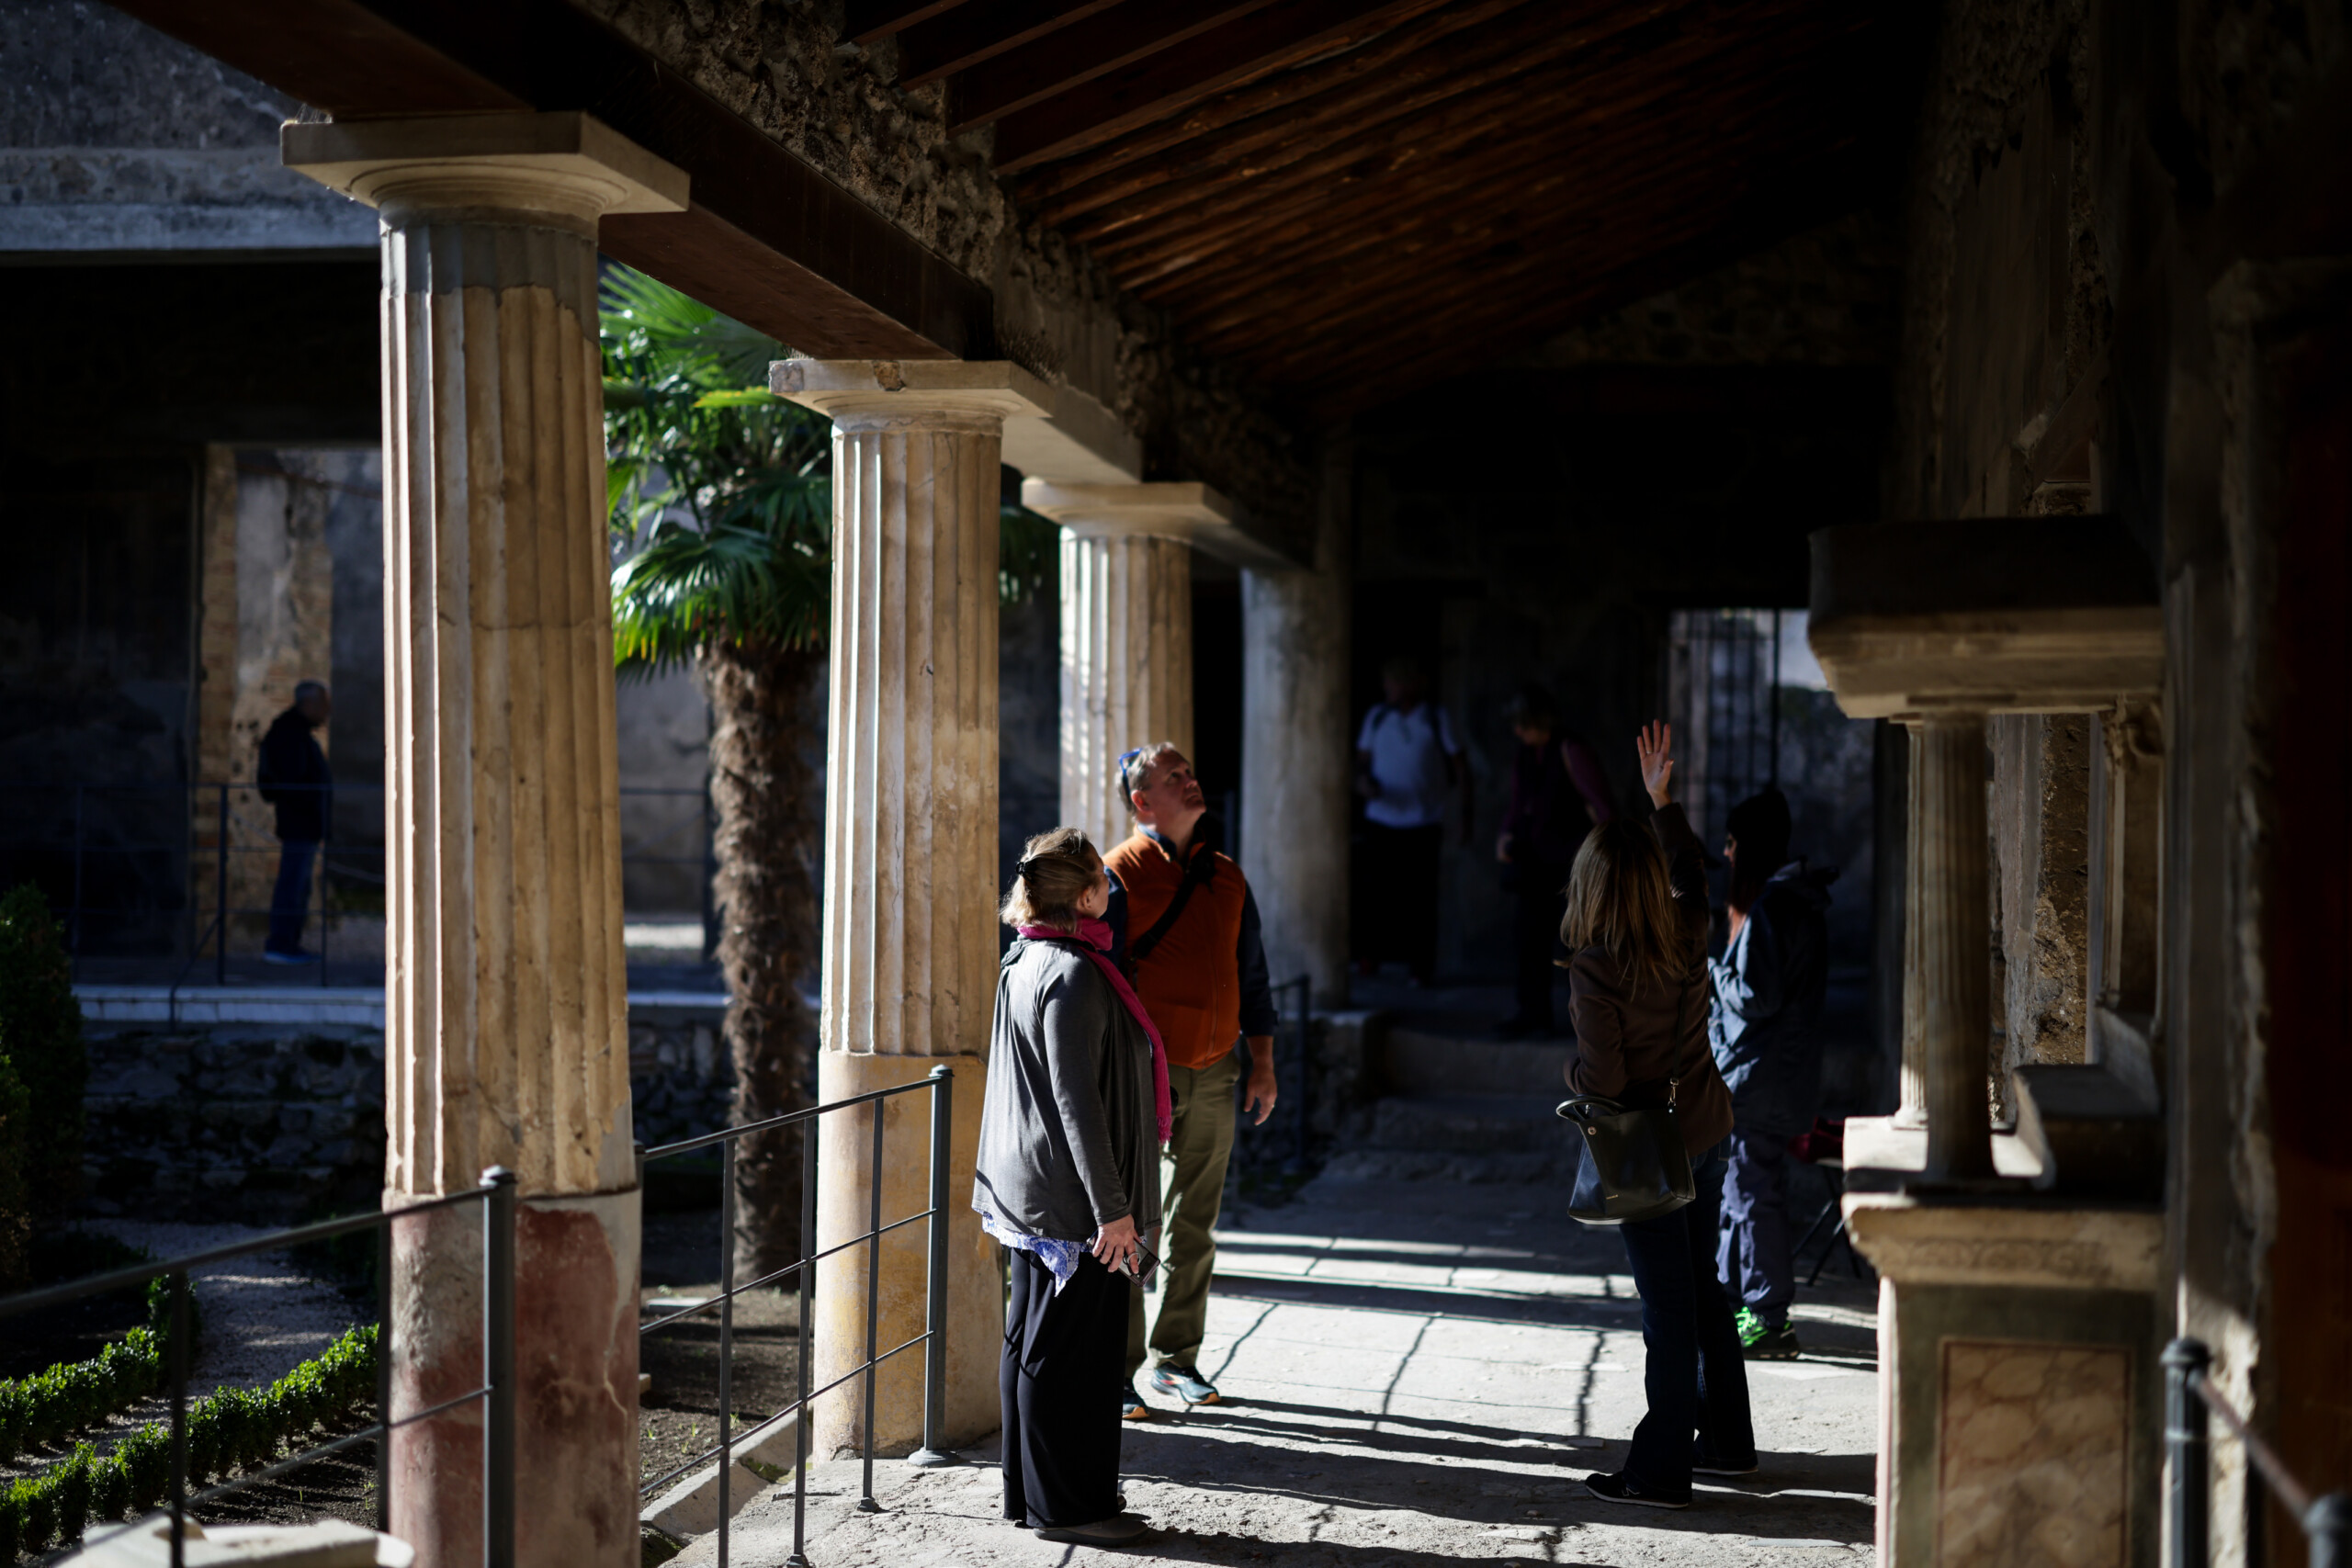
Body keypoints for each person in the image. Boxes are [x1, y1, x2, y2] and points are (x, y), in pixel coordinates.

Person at [1563, 720, 1752, 1509]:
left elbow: (1603, 1078)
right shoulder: (1687, 926)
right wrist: (1662, 801)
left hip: (1646, 1146)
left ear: (1592, 887)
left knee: (1666, 1306)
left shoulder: (1597, 966)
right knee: (1701, 1287)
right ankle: (1730, 1438)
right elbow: (1690, 870)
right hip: (1704, 1124)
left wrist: (1569, 1073)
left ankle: (1661, 1467)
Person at [975, 828, 1165, 1546]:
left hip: (1032, 1188)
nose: (1112, 892)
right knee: (1070, 1356)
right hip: (1071, 1201)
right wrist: (1114, 1211)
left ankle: (1032, 1498)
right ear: (1084, 894)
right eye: (1104, 882)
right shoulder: (1073, 971)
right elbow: (1076, 1100)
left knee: (1032, 1341)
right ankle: (1071, 1507)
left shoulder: (1025, 956)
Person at [1102, 743, 1279, 1419]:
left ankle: (1175, 1361)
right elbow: (1104, 980)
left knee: (1195, 1223)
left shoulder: (1227, 875)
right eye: (1172, 777)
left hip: (1217, 1068)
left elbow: (1253, 975)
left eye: (1188, 770)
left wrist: (1261, 1061)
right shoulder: (1118, 874)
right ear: (1143, 802)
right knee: (1129, 1224)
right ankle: (1115, 1369)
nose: (1190, 779)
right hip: (1146, 1074)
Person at [1707, 786, 1834, 1360]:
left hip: (1758, 1078)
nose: (1727, 854)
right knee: (1745, 1192)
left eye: (1733, 843)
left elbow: (1755, 996)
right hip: (1777, 1075)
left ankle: (1766, 1316)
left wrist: (1712, 970)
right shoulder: (1797, 902)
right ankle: (1743, 1303)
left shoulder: (1772, 909)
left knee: (1753, 1195)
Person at [1494, 683, 1617, 1038]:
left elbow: (1601, 805)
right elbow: (1519, 802)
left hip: (1570, 866)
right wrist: (1506, 835)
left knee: (1575, 945)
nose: (1518, 731)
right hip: (1533, 864)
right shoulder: (1526, 755)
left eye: (1523, 723)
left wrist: (1604, 859)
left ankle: (1590, 1022)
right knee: (1528, 938)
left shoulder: (1571, 750)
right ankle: (1532, 1013)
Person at [1352, 656, 1467, 984]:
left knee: (1419, 897)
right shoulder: (1377, 717)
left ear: (1410, 683)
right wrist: (1364, 784)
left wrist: (1465, 815)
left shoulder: (1434, 717)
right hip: (1381, 819)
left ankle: (1420, 966)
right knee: (1375, 893)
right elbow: (1361, 763)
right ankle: (1369, 958)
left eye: (1393, 681)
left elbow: (1461, 766)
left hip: (1423, 821)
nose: (1387, 688)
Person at [256, 681, 333, 964]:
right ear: (308, 704)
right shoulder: (290, 734)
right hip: (300, 823)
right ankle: (281, 943)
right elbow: (293, 780)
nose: (328, 711)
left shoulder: (294, 732)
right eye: (323, 704)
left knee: (298, 884)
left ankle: (288, 943)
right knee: (292, 883)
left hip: (304, 823)